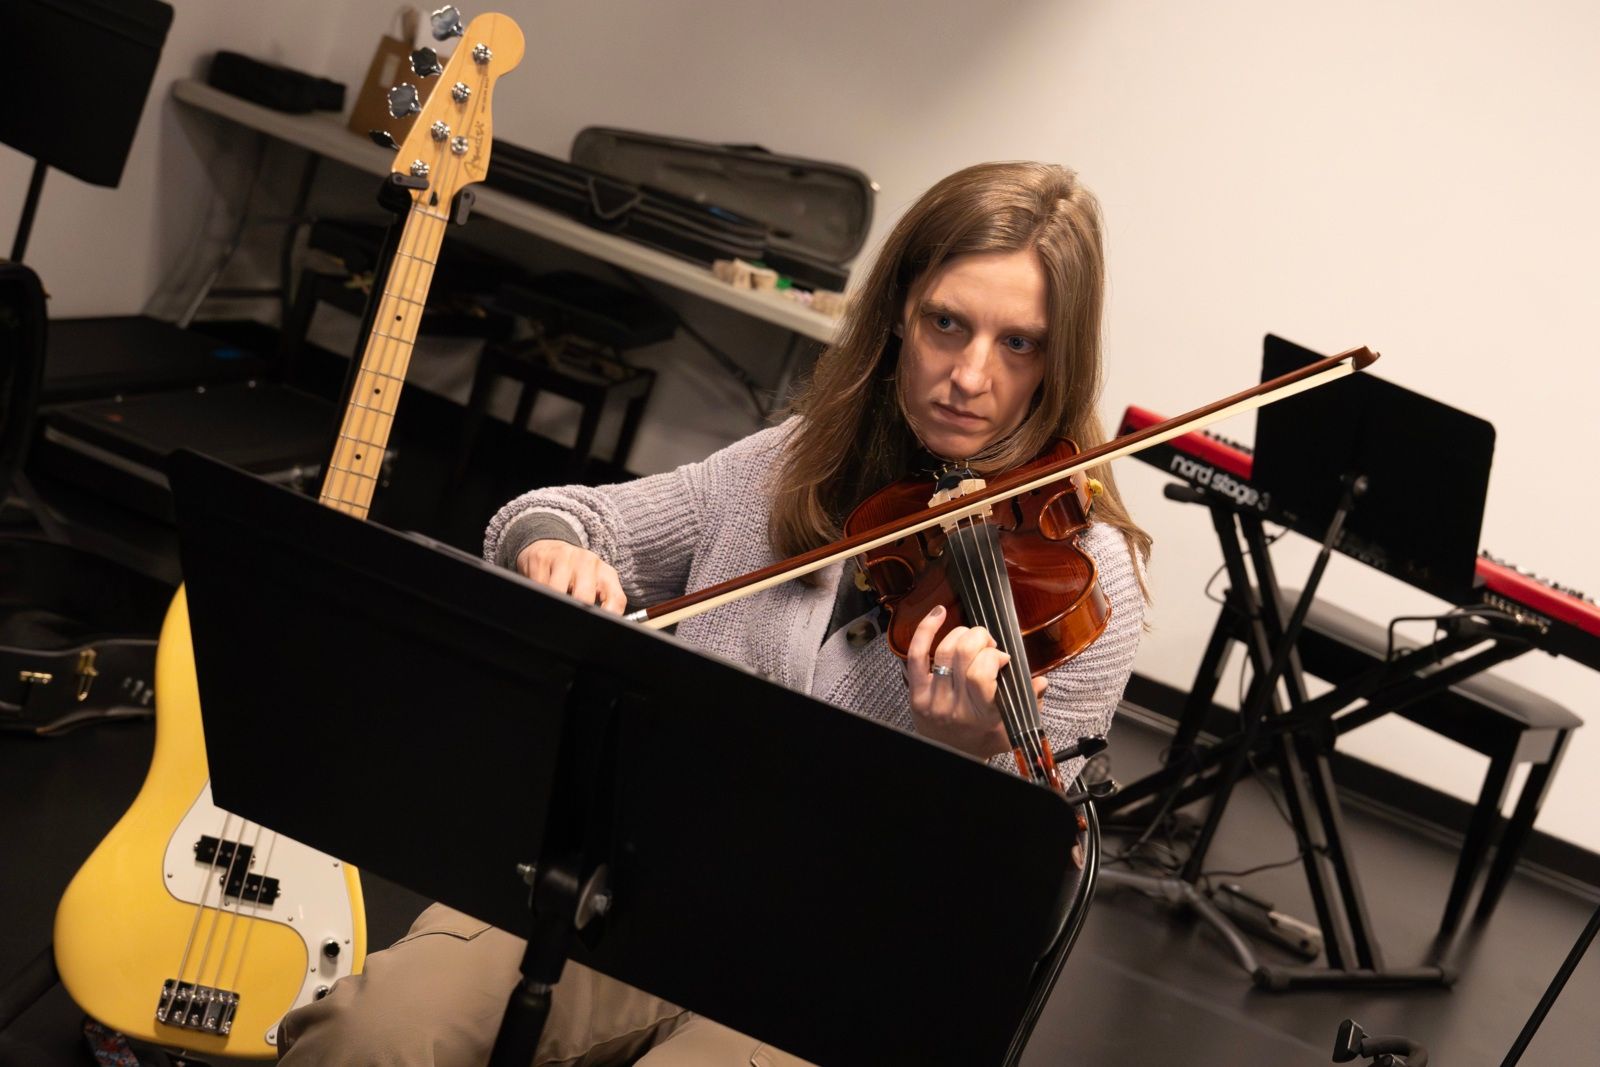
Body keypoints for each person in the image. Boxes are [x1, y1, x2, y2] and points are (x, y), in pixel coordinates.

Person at [276, 160, 1150, 1066]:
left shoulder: (1088, 579)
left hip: (839, 971)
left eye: (1020, 344)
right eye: (947, 323)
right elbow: (573, 516)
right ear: (899, 312)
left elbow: (1009, 895)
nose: (969, 375)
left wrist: (964, 761)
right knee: (371, 1033)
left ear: (1060, 359)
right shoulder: (795, 461)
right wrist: (550, 546)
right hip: (643, 893)